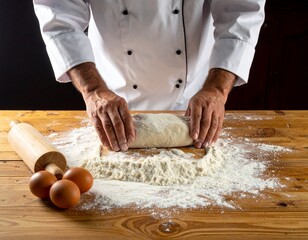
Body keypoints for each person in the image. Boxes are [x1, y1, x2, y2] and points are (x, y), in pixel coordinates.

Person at [33, 0, 265, 151]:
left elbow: (241, 12)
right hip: (113, 90)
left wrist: (217, 89)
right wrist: (93, 90)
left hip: (191, 96)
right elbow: (60, 17)